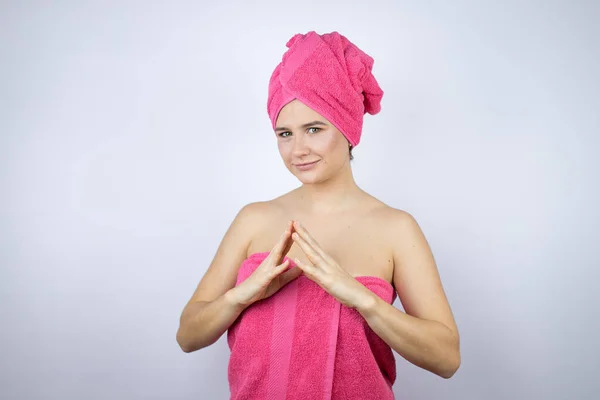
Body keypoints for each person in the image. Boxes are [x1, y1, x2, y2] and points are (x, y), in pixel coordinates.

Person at [176, 31, 460, 399]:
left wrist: (362, 299)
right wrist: (240, 297)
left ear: (347, 129)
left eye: (314, 129)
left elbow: (446, 358)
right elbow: (188, 336)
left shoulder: (395, 229)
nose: (299, 149)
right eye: (285, 133)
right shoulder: (253, 219)